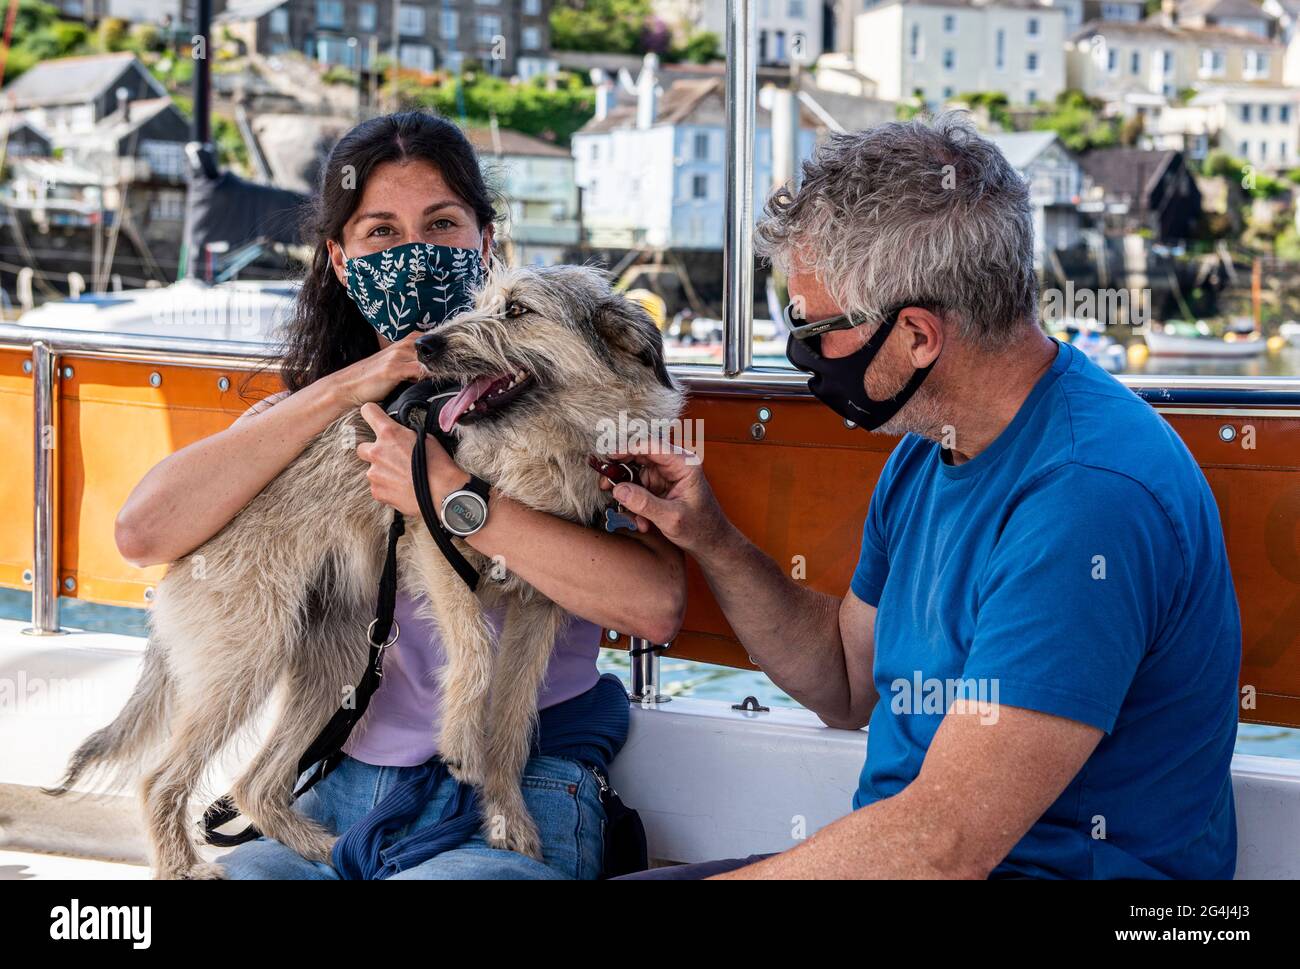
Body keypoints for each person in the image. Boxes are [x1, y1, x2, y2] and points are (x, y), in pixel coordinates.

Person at [609, 115, 1241, 879]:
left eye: (814, 328)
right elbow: (846, 679)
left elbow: (944, 847)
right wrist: (711, 538)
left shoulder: (1087, 498)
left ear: (916, 335)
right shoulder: (929, 447)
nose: (801, 352)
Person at [114, 111, 685, 880]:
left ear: (485, 243)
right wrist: (354, 383)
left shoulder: (577, 404)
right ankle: (213, 811)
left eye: (442, 224)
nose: (414, 253)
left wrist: (450, 493)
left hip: (525, 786)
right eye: (380, 232)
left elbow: (654, 605)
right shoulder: (307, 421)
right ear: (342, 262)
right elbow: (142, 532)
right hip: (344, 795)